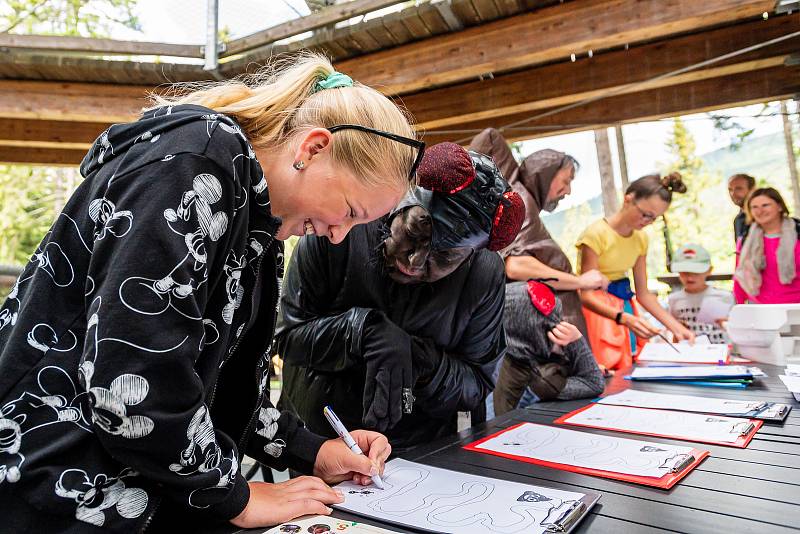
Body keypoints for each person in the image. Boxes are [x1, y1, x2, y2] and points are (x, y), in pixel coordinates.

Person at [0, 53, 422, 531]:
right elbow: (134, 386)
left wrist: (312, 449)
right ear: (314, 147)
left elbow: (224, 387)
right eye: (348, 210)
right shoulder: (198, 161)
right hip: (52, 483)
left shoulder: (256, 223)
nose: (338, 234)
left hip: (123, 485)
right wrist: (234, 496)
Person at [276, 142, 525, 452]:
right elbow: (286, 337)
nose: (414, 262)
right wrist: (363, 331)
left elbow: (477, 383)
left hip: (421, 449)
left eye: (444, 255)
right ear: (402, 202)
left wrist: (418, 358)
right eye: (413, 234)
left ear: (469, 256)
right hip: (320, 441)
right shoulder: (343, 224)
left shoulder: (483, 276)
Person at [469, 128, 608, 336]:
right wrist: (580, 281)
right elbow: (516, 265)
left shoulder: (526, 206)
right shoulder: (522, 203)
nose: (568, 191)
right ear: (546, 173)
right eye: (566, 180)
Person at [576, 173, 695, 371]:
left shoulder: (641, 239)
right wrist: (623, 317)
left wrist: (677, 328)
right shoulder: (596, 234)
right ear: (628, 199)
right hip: (600, 313)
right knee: (607, 368)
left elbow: (644, 294)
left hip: (626, 307)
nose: (648, 221)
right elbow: (585, 294)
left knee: (631, 365)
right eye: (645, 214)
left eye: (654, 218)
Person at [493, 280, 604, 417]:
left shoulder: (494, 359)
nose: (559, 326)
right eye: (553, 325)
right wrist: (576, 342)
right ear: (535, 335)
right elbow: (594, 383)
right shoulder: (542, 379)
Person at [734, 187, 800, 304]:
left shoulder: (797, 234)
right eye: (754, 207)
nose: (760, 211)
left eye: (765, 205)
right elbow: (739, 278)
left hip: (795, 309)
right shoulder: (746, 240)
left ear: (780, 206)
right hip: (759, 310)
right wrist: (737, 307)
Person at [668, 244, 734, 343]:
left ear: (709, 270)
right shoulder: (674, 299)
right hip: (690, 351)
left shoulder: (724, 297)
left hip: (720, 352)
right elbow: (675, 332)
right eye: (684, 272)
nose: (690, 278)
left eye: (696, 272)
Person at [728, 173, 756, 246]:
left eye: (738, 188)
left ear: (752, 189)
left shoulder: (764, 216)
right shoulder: (738, 220)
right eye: (730, 189)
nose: (733, 193)